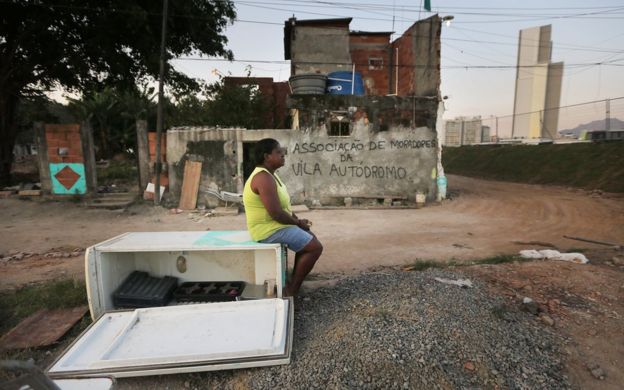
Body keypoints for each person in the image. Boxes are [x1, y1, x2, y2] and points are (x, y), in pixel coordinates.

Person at [243, 138, 323, 296]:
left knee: (309, 239)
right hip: (267, 230)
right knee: (315, 248)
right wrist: (298, 223)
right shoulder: (263, 178)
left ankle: (292, 281)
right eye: (278, 152)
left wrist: (298, 221)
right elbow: (276, 213)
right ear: (267, 157)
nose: (283, 155)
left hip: (275, 225)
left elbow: (283, 207)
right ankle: (292, 290)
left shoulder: (271, 175)